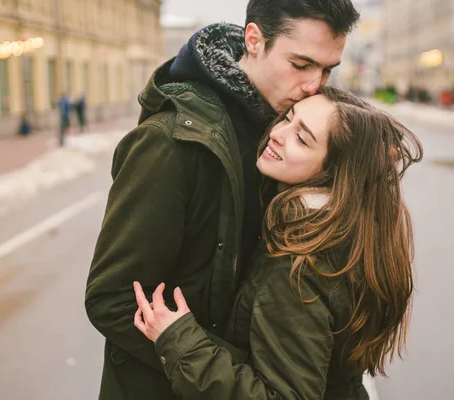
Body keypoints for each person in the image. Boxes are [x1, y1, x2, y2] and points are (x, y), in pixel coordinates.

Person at [84, 1, 361, 399]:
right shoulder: (171, 142)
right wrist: (255, 376)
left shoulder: (291, 132)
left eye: (328, 69)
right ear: (253, 40)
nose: (315, 84)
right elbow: (112, 299)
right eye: (301, 65)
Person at [133, 88, 423, 399]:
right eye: (288, 118)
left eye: (302, 138)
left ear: (332, 173)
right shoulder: (349, 234)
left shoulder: (300, 264)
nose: (278, 133)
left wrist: (179, 341)